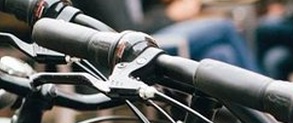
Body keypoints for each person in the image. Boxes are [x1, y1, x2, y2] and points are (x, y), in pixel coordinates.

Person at [74, 0, 261, 72]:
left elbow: (146, 12)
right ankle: (270, 110)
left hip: (150, 41)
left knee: (221, 55)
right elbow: (125, 32)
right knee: (225, 28)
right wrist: (170, 15)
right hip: (123, 56)